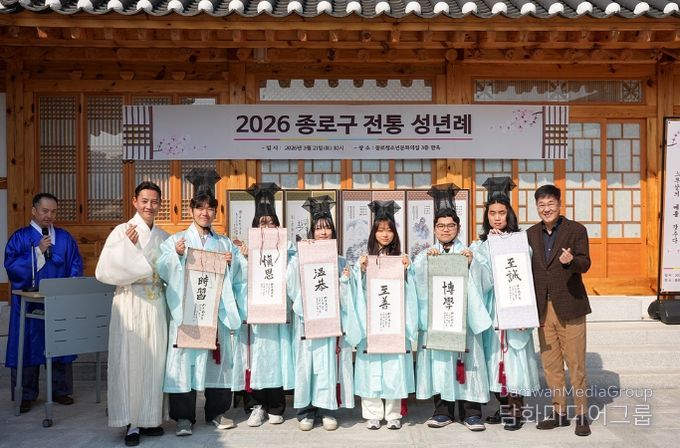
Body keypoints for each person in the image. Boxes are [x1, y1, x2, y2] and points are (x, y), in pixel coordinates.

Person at [157, 192, 244, 437]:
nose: (205, 213)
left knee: (216, 362)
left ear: (216, 212)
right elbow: (162, 269)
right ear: (191, 210)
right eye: (200, 208)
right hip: (188, 313)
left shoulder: (224, 243)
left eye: (210, 208)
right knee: (184, 363)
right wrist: (177, 255)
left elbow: (238, 275)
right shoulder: (177, 240)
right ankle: (184, 417)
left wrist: (231, 264)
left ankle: (217, 412)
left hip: (214, 312)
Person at [95, 181, 169, 446]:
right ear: (135, 201)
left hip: (156, 303)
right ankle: (131, 422)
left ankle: (150, 418)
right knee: (130, 360)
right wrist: (128, 246)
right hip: (130, 301)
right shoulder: (122, 231)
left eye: (154, 201)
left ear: (160, 204)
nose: (149, 206)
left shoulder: (163, 236)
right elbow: (105, 269)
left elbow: (169, 269)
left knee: (155, 360)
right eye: (145, 201)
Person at [413, 184, 491, 431]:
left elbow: (487, 283)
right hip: (440, 321)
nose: (446, 229)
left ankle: (471, 412)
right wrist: (426, 264)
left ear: (458, 228)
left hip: (463, 321)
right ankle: (442, 411)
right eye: (441, 226)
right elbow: (417, 284)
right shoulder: (426, 255)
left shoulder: (469, 253)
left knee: (468, 363)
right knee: (441, 363)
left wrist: (471, 265)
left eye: (450, 225)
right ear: (434, 228)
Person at [469, 177, 540, 431]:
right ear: (486, 216)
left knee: (514, 360)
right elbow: (481, 280)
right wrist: (488, 248)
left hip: (515, 305)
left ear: (509, 214)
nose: (497, 218)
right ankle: (502, 407)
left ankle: (515, 411)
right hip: (494, 309)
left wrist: (506, 244)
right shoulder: (480, 244)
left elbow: (525, 273)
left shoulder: (520, 240)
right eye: (492, 213)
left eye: (501, 213)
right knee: (495, 359)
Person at [4, 192, 83, 413]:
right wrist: (37, 252)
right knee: (27, 345)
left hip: (58, 301)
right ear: (34, 211)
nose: (49, 216)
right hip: (29, 303)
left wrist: (72, 286)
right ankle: (25, 394)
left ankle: (61, 390)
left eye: (53, 212)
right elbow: (11, 267)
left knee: (60, 342)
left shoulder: (65, 238)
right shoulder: (20, 238)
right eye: (44, 211)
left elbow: (75, 264)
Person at [291, 196, 362, 431]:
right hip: (308, 322)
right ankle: (306, 411)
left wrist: (344, 281)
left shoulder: (341, 261)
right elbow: (291, 287)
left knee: (330, 364)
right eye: (318, 228)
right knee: (307, 364)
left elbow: (348, 299)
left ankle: (328, 409)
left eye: (327, 228)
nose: (323, 232)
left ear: (333, 232)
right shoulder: (300, 258)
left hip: (331, 323)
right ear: (312, 231)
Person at [527, 184, 592, 437]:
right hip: (543, 308)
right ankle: (559, 412)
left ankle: (582, 414)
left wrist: (571, 261)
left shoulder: (576, 230)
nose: (546, 209)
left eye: (550, 204)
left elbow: (585, 263)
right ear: (537, 207)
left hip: (570, 306)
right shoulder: (530, 234)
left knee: (575, 364)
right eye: (541, 205)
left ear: (559, 204)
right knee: (551, 364)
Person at [354, 200, 418, 430]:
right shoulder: (365, 258)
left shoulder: (402, 257)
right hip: (372, 321)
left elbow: (412, 290)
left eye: (389, 230)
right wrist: (361, 271)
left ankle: (393, 414)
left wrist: (408, 270)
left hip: (394, 321)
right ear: (374, 233)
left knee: (394, 366)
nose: (385, 234)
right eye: (380, 230)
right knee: (370, 364)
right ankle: (372, 413)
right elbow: (357, 291)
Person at [237, 182, 296, 427]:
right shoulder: (245, 250)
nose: (267, 227)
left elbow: (294, 278)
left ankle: (276, 406)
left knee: (276, 358)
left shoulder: (288, 248)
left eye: (271, 223)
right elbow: (238, 283)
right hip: (256, 315)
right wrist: (244, 259)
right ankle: (255, 406)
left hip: (277, 313)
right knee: (255, 358)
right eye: (262, 223)